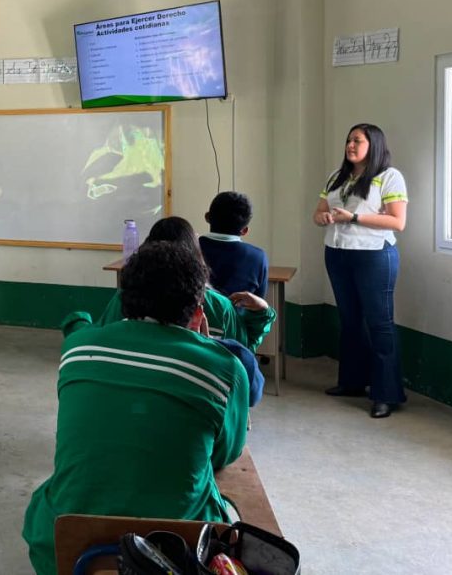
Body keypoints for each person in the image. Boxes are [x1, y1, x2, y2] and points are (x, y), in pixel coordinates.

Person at [23, 242, 250, 575]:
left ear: (123, 300)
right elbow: (224, 454)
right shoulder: (225, 368)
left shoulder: (77, 347)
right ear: (198, 311)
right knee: (230, 515)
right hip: (178, 548)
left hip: (67, 543)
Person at [64, 217, 269, 406]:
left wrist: (78, 324)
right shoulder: (220, 308)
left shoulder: (122, 301)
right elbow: (245, 369)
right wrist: (261, 315)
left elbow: (100, 336)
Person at [314, 123, 407, 419]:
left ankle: (386, 394)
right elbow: (317, 212)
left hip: (374, 256)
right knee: (350, 320)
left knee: (380, 323)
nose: (350, 145)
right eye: (348, 140)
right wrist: (324, 216)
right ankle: (352, 382)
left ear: (374, 144)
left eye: (357, 140)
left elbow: (397, 222)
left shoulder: (389, 177)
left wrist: (353, 217)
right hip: (337, 253)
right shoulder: (336, 177)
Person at [199, 191, 269, 298]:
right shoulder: (258, 257)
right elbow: (259, 307)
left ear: (207, 217)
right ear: (244, 230)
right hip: (239, 315)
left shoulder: (189, 249)